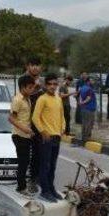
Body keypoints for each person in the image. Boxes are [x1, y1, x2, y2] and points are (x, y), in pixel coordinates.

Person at [32, 73, 65, 203]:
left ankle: (51, 189)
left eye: (54, 84)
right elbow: (35, 117)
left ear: (57, 85)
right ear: (45, 85)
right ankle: (44, 191)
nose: (52, 86)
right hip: (46, 138)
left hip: (57, 137)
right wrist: (42, 131)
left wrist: (62, 128)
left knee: (53, 165)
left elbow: (62, 116)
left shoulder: (58, 99)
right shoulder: (42, 99)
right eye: (50, 84)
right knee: (45, 165)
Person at [9, 75, 36, 194]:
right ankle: (21, 187)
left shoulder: (27, 98)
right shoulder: (18, 100)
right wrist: (25, 129)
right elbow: (11, 119)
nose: (32, 90)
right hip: (19, 135)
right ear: (22, 87)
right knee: (23, 161)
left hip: (26, 135)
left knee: (25, 161)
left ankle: (23, 185)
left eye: (33, 87)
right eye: (29, 88)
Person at [25, 57, 45, 191]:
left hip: (40, 122)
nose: (35, 68)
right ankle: (26, 178)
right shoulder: (24, 80)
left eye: (37, 65)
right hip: (26, 121)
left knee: (39, 152)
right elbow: (22, 96)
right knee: (26, 152)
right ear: (28, 66)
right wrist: (35, 87)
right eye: (33, 65)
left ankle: (35, 177)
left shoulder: (43, 81)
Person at [78, 76, 96, 142]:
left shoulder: (83, 88)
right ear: (88, 81)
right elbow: (88, 98)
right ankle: (87, 137)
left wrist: (80, 102)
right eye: (92, 80)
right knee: (89, 124)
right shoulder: (89, 89)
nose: (93, 82)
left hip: (83, 109)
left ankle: (83, 137)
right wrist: (82, 103)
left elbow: (79, 96)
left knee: (84, 123)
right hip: (89, 109)